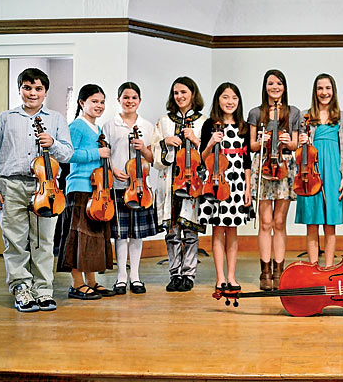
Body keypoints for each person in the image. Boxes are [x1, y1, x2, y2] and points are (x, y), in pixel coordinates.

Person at [0, 68, 73, 312]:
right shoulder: (5, 118)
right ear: (20, 90)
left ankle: (43, 290)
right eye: (27, 88)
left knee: (43, 241)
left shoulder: (57, 119)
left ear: (45, 92)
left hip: (46, 187)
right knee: (15, 242)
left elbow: (68, 153)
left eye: (38, 88)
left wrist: (53, 143)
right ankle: (21, 289)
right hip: (11, 185)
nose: (32, 93)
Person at [56, 84, 114, 300]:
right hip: (79, 188)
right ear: (82, 103)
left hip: (97, 191)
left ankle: (91, 282)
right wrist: (96, 152)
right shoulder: (77, 126)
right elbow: (67, 155)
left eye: (101, 102)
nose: (99, 106)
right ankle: (76, 284)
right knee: (78, 237)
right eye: (94, 101)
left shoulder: (97, 129)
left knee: (92, 238)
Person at [151, 77, 206, 292]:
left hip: (191, 181)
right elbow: (155, 151)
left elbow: (210, 155)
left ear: (193, 94)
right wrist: (165, 143)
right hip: (169, 181)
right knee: (172, 230)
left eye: (183, 92)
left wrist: (195, 140)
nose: (179, 96)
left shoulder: (203, 122)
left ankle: (189, 274)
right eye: (176, 93)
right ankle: (175, 274)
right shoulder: (164, 121)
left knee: (190, 230)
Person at [103, 82, 157, 295]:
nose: (130, 101)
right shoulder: (110, 125)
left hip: (140, 187)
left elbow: (152, 158)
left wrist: (143, 148)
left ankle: (135, 276)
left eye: (134, 97)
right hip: (118, 186)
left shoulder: (147, 126)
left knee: (137, 235)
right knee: (120, 235)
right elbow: (105, 154)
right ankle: (121, 278)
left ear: (139, 101)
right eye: (125, 97)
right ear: (119, 100)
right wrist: (114, 169)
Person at [248, 69, 300, 290]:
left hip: (285, 167)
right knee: (265, 222)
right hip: (263, 166)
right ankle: (265, 271)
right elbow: (251, 146)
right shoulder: (255, 113)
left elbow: (295, 145)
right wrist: (262, 140)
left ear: (284, 87)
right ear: (265, 87)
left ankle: (279, 270)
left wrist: (287, 141)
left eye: (279, 83)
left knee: (279, 223)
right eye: (270, 83)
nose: (275, 87)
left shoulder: (293, 112)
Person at [199, 82, 252, 291]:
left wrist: (248, 188)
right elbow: (202, 158)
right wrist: (211, 143)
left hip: (237, 182)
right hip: (216, 181)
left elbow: (247, 160)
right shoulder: (209, 125)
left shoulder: (243, 126)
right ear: (217, 100)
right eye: (225, 97)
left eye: (234, 98)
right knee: (218, 229)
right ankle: (220, 277)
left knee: (233, 230)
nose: (230, 102)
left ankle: (232, 276)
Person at [296, 74, 343, 267]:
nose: (324, 92)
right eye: (320, 88)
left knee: (330, 223)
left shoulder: (342, 117)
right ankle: (313, 267)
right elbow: (299, 150)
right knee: (312, 221)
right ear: (315, 91)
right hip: (311, 172)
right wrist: (302, 142)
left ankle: (327, 267)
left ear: (333, 91)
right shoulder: (305, 115)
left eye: (328, 88)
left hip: (334, 172)